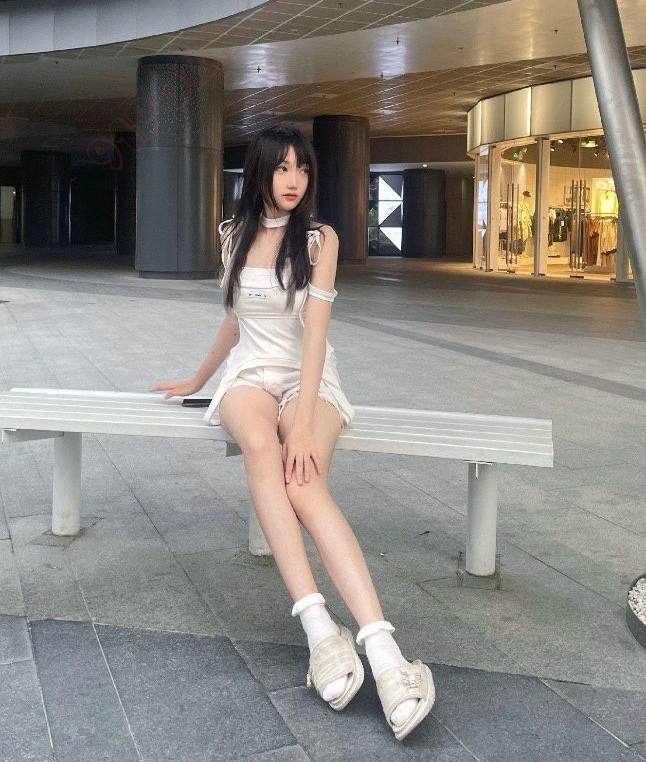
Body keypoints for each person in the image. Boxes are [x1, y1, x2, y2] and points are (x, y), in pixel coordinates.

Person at [149, 125, 435, 740]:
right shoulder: (232, 235)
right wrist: (197, 377)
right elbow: (235, 322)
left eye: (302, 169)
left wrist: (302, 422)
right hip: (248, 375)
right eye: (281, 168)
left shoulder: (318, 240)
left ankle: (383, 649)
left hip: (308, 377)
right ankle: (319, 629)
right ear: (260, 173)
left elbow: (316, 336)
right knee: (260, 449)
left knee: (303, 481)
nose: (293, 180)